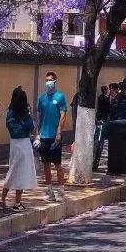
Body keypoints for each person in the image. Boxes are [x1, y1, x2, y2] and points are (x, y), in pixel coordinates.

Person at [0, 87, 36, 212]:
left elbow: (9, 126)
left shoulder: (10, 112)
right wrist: (29, 114)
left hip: (14, 143)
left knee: (12, 170)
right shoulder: (24, 113)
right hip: (24, 143)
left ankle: (2, 199)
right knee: (21, 172)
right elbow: (31, 127)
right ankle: (17, 202)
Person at [36, 72, 69, 201]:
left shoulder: (60, 97)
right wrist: (37, 134)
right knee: (46, 164)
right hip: (44, 136)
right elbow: (38, 117)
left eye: (50, 80)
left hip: (55, 136)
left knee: (58, 164)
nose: (48, 82)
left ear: (55, 81)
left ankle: (61, 190)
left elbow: (63, 115)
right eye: (46, 80)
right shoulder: (41, 98)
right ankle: (49, 190)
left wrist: (59, 132)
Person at [93, 85, 112, 172]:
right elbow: (108, 108)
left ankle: (95, 162)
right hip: (102, 121)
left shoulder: (101, 98)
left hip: (101, 121)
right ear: (106, 90)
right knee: (99, 143)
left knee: (99, 143)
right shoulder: (103, 98)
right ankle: (95, 162)